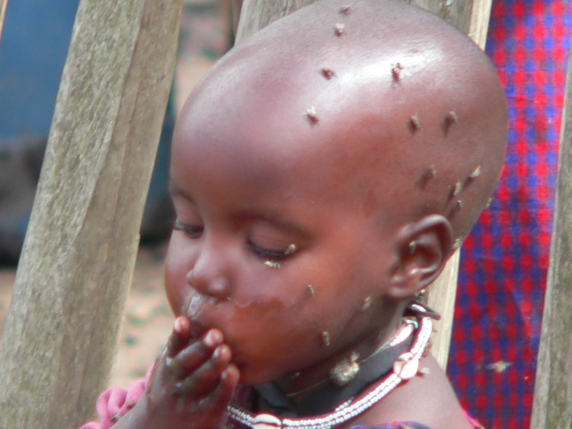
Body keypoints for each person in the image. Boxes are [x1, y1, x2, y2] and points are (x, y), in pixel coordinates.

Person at [80, 1, 508, 428]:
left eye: (267, 248)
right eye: (190, 225)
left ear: (410, 258)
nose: (203, 274)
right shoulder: (198, 388)